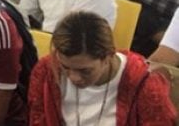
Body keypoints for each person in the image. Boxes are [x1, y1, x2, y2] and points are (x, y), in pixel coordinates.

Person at [27, 11, 176, 125]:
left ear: (108, 56)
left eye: (85, 71)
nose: (74, 77)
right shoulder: (46, 71)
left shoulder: (145, 85)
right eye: (65, 67)